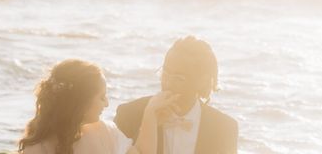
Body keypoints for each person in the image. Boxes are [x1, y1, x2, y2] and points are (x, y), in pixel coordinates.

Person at [18, 59, 177, 154]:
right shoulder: (37, 148)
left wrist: (151, 116)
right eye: (102, 97)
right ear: (81, 101)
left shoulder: (104, 131)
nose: (107, 103)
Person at [114, 36, 238, 154]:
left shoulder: (224, 128)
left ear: (202, 82)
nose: (167, 84)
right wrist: (148, 123)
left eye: (179, 78)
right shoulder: (129, 115)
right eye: (165, 73)